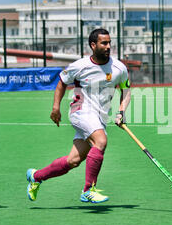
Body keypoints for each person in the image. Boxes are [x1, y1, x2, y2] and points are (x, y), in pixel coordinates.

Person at [26, 28, 131, 203]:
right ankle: (88, 190)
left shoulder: (119, 68)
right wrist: (55, 108)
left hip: (99, 117)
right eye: (103, 43)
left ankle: (36, 177)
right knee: (101, 141)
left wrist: (121, 112)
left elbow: (126, 90)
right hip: (80, 111)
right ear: (93, 45)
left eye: (109, 43)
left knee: (73, 161)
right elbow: (61, 82)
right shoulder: (79, 66)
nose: (108, 46)